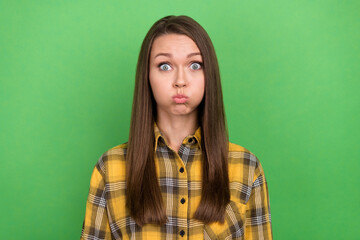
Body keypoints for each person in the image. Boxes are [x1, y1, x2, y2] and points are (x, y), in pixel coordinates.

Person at [80, 15, 272, 240]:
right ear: (147, 76)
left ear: (208, 74)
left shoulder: (246, 168)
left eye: (194, 65)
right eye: (165, 66)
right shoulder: (110, 169)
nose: (180, 80)